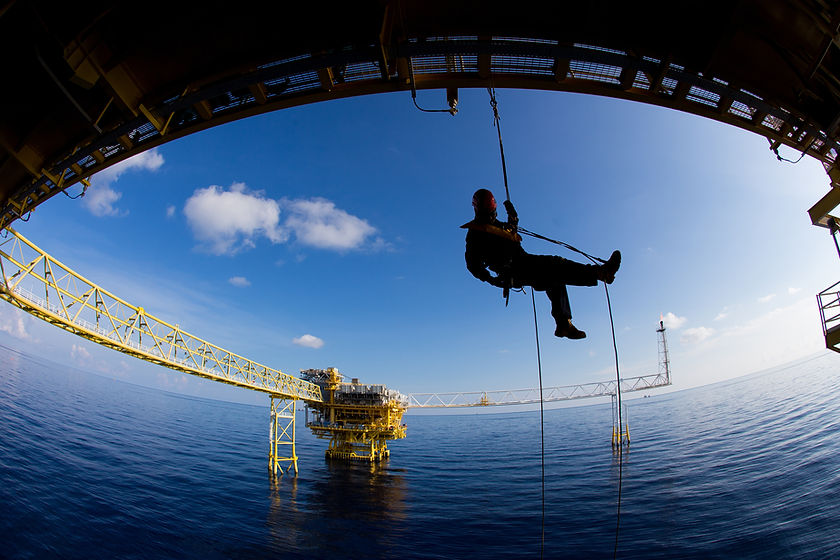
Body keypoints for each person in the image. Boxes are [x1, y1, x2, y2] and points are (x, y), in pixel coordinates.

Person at [463, 188, 621, 339]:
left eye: (493, 213)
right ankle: (600, 273)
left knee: (554, 278)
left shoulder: (498, 226)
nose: (492, 216)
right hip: (514, 269)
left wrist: (513, 219)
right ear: (478, 211)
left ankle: (563, 324)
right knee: (555, 264)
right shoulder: (475, 233)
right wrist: (493, 280)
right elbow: (472, 265)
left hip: (522, 263)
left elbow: (510, 232)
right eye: (489, 214)